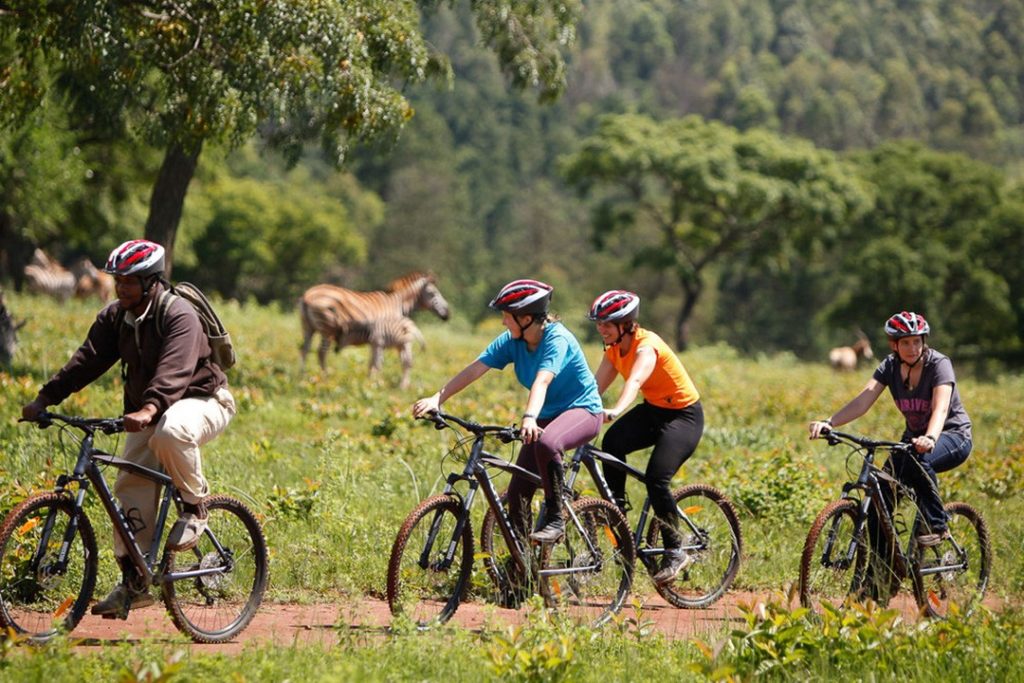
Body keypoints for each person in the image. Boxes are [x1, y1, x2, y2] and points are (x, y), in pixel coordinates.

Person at [21, 239, 236, 616]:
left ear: (153, 281)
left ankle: (195, 506)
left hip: (204, 400)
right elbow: (86, 361)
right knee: (129, 487)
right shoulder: (114, 317)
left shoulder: (178, 314)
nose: (122, 287)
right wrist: (45, 398)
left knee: (171, 431)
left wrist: (151, 406)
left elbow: (176, 368)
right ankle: (135, 583)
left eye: (131, 281)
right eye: (118, 279)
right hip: (148, 410)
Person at [412, 279, 604, 543]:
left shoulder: (557, 339)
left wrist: (529, 417)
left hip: (583, 410)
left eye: (506, 316)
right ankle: (521, 572)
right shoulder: (513, 340)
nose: (503, 322)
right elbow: (475, 369)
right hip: (544, 414)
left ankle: (556, 519)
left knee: (548, 442)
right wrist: (438, 398)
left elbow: (542, 380)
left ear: (526, 318)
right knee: (517, 495)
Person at [808, 311, 972, 550]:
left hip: (952, 436)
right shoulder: (890, 366)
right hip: (913, 442)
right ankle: (881, 581)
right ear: (894, 344)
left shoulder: (939, 364)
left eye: (917, 341)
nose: (912, 347)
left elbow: (941, 408)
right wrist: (829, 422)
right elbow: (862, 401)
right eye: (905, 342)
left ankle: (937, 524)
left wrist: (930, 437)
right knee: (880, 497)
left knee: (918, 461)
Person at [588, 290, 705, 585]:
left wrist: (616, 409)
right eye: (599, 323)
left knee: (656, 478)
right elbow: (592, 388)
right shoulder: (613, 349)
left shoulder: (646, 347)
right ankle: (618, 513)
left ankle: (675, 548)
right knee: (612, 444)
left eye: (608, 323)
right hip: (653, 411)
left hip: (683, 416)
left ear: (627, 324)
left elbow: (636, 381)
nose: (601, 328)